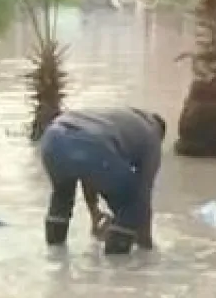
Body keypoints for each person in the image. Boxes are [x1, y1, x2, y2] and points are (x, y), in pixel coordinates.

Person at [39, 106, 166, 255]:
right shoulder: (151, 136)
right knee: (131, 202)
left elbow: (86, 169)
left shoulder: (114, 116)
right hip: (94, 146)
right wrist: (145, 245)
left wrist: (94, 213)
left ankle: (54, 255)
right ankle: (120, 269)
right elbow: (143, 194)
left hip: (52, 140)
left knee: (62, 196)